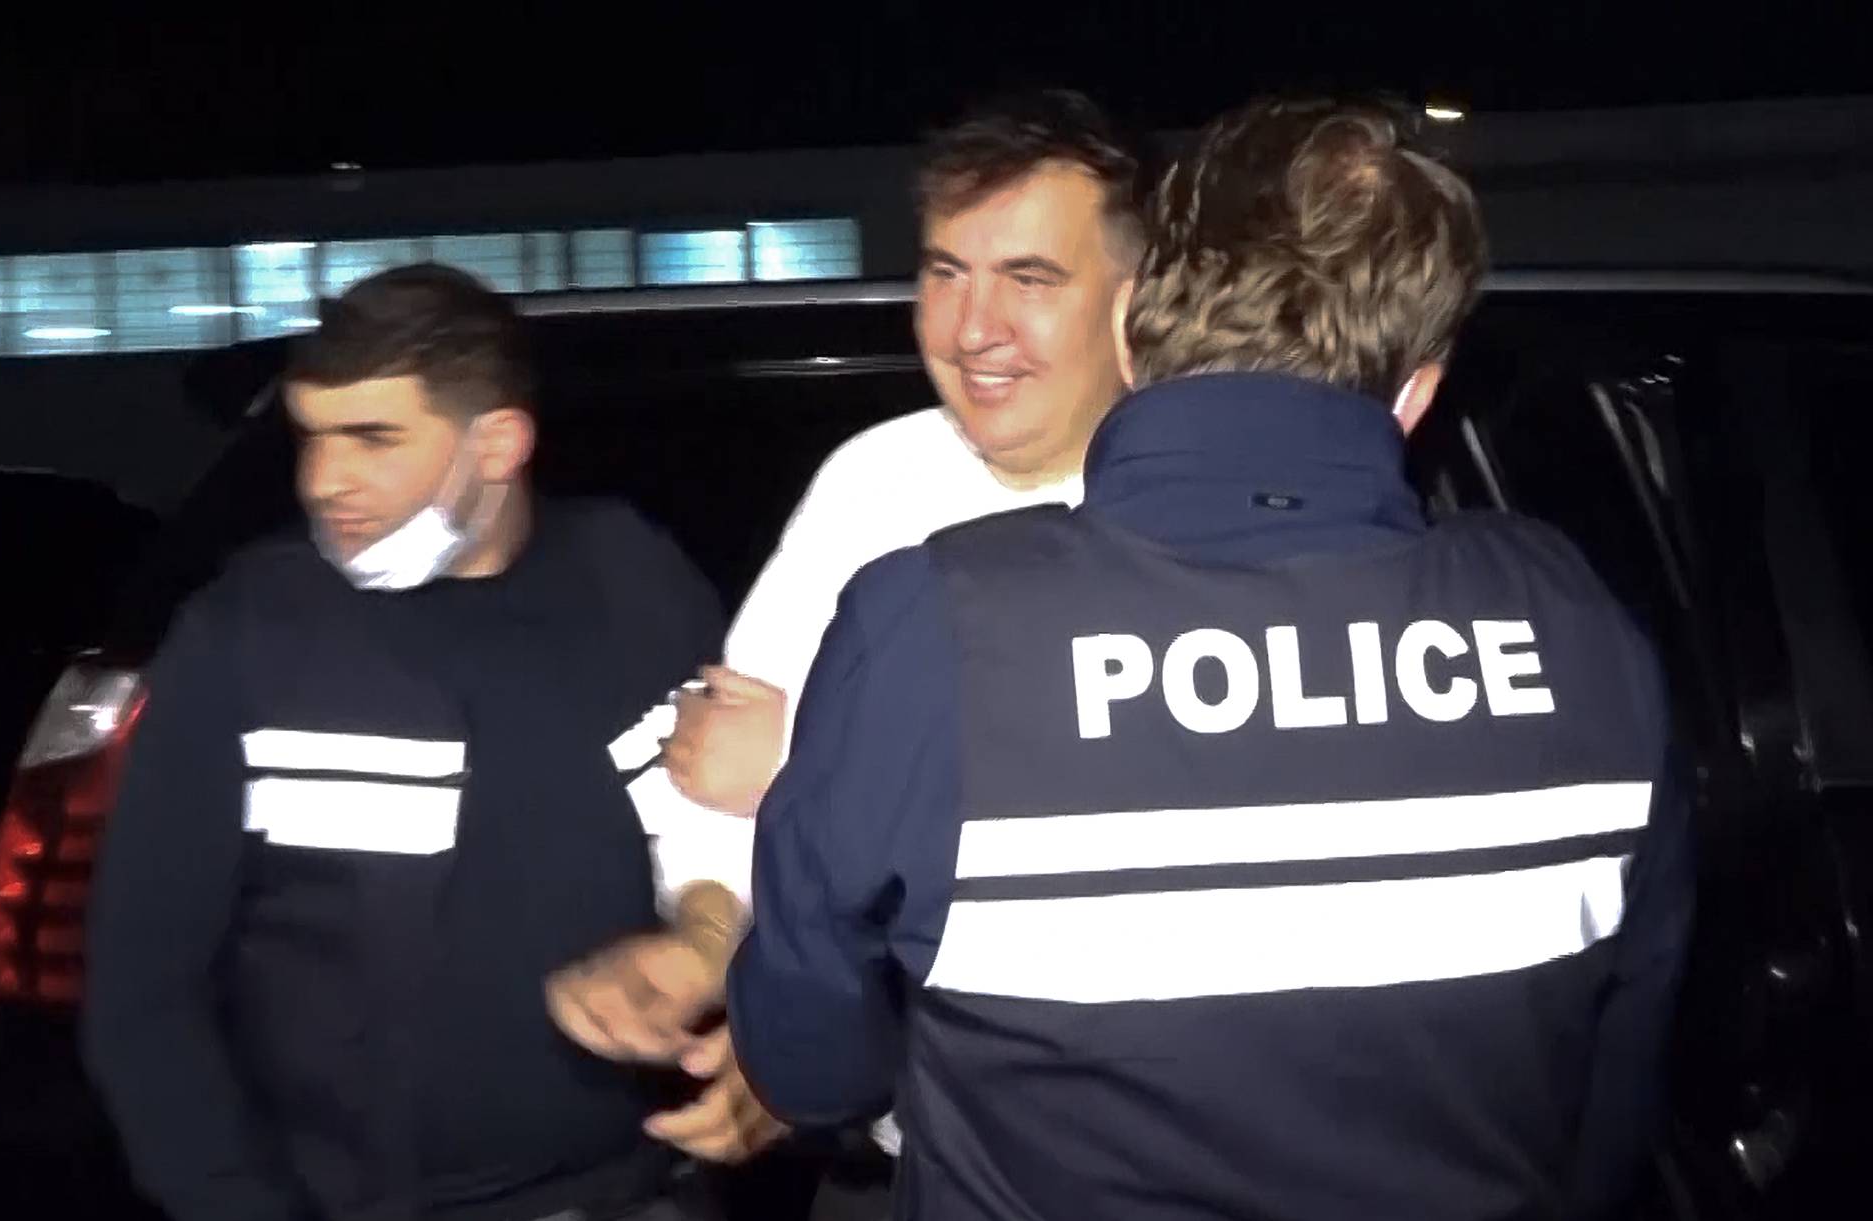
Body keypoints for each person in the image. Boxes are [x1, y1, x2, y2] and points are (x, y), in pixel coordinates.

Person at [724, 98, 1696, 1220]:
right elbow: (1609, 1106)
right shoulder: (1580, 628)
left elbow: (807, 1067)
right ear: (1417, 392)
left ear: (1130, 331)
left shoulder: (930, 625)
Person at [543, 89, 1157, 1219]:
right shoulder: (876, 478)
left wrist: (815, 765)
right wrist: (710, 946)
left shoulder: (1186, 505)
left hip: (1133, 1163)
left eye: (1029, 279)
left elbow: (1145, 834)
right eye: (945, 272)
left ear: (1134, 302)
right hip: (905, 1158)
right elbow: (717, 773)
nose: (972, 328)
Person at [83, 264, 772, 1221]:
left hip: (635, 1192)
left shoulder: (637, 587)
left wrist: (768, 1039)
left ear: (498, 444)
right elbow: (142, 989)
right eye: (311, 435)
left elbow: (755, 850)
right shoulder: (244, 637)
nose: (324, 480)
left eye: (374, 438)